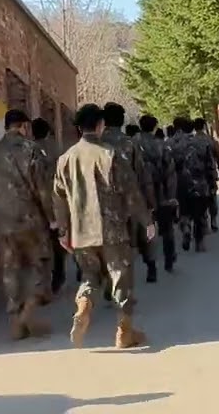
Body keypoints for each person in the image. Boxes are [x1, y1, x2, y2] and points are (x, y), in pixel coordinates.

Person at [53, 103, 155, 349]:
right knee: (121, 279)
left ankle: (84, 305)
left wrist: (63, 231)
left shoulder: (65, 159)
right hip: (113, 230)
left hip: (80, 232)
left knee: (89, 276)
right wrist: (147, 221)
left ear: (79, 127)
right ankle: (124, 332)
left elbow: (58, 196)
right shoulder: (111, 155)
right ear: (100, 126)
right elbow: (130, 191)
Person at [0, 108, 53, 340]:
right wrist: (54, 219)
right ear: (24, 126)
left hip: (1, 220)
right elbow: (43, 190)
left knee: (10, 268)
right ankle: (27, 314)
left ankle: (14, 316)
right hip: (30, 219)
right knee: (40, 263)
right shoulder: (32, 150)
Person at [101, 102, 159, 283]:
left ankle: (111, 279)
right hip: (129, 200)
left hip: (102, 203)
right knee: (142, 236)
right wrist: (149, 203)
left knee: (108, 242)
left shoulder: (97, 143)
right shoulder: (130, 144)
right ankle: (150, 266)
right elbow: (143, 176)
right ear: (122, 120)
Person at [134, 114, 179, 273]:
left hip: (141, 197)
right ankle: (169, 260)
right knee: (167, 230)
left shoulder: (133, 145)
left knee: (147, 230)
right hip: (163, 195)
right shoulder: (163, 146)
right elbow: (171, 172)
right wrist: (172, 195)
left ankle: (151, 265)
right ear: (154, 127)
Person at [168, 116, 217, 252]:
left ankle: (186, 228)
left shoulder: (173, 144)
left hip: (181, 182)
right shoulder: (202, 142)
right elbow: (210, 164)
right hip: (200, 183)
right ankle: (199, 242)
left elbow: (169, 166)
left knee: (184, 210)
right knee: (200, 213)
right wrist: (212, 182)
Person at [31, 117, 67, 299]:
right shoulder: (57, 149)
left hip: (35, 206)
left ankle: (43, 283)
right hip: (56, 201)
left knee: (41, 245)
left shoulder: (29, 150)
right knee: (57, 242)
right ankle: (58, 275)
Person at [192, 117, 219, 232]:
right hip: (210, 173)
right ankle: (213, 220)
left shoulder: (191, 141)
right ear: (204, 126)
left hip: (196, 175)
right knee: (212, 197)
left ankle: (203, 220)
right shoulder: (211, 140)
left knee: (199, 198)